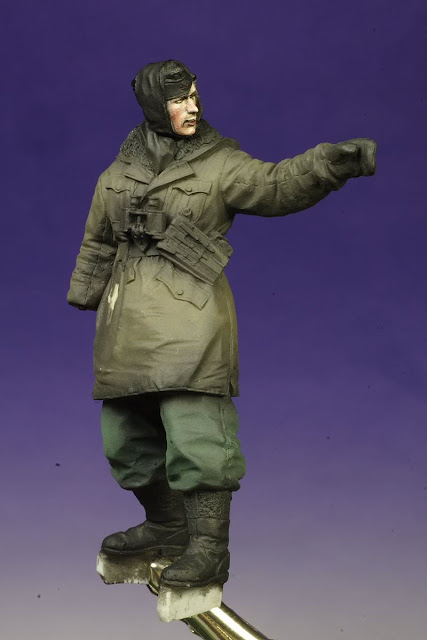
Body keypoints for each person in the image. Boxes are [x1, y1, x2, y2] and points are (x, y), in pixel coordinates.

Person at [67, 59, 376, 589]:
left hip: (191, 322)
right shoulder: (117, 173)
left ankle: (209, 549)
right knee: (125, 443)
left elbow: (275, 185)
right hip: (124, 329)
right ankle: (167, 526)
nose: (192, 107)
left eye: (194, 95)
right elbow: (99, 239)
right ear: (153, 105)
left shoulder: (220, 164)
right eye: (178, 100)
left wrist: (329, 164)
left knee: (199, 441)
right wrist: (85, 293)